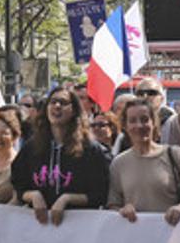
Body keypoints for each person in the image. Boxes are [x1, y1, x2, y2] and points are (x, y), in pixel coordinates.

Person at [11, 85, 109, 225]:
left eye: (63, 103)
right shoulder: (31, 148)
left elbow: (100, 194)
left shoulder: (90, 150)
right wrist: (33, 195)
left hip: (79, 228)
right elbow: (19, 185)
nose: (57, 106)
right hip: (38, 227)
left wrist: (67, 199)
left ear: (74, 110)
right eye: (52, 102)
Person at [108, 98, 180, 225]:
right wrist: (123, 210)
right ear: (125, 126)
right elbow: (113, 205)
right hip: (134, 239)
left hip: (174, 236)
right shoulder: (118, 164)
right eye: (133, 121)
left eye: (144, 119)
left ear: (153, 123)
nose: (139, 126)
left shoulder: (175, 155)